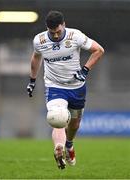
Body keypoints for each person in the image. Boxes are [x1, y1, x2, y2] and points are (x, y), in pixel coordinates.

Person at [27, 10, 104, 169]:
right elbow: (36, 57)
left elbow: (99, 50)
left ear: (64, 25)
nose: (55, 36)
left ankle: (69, 144)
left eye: (58, 31)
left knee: (74, 124)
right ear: (47, 28)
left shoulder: (75, 36)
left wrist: (85, 70)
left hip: (76, 86)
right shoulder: (39, 40)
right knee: (58, 117)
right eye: (52, 32)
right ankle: (59, 148)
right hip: (54, 86)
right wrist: (32, 80)